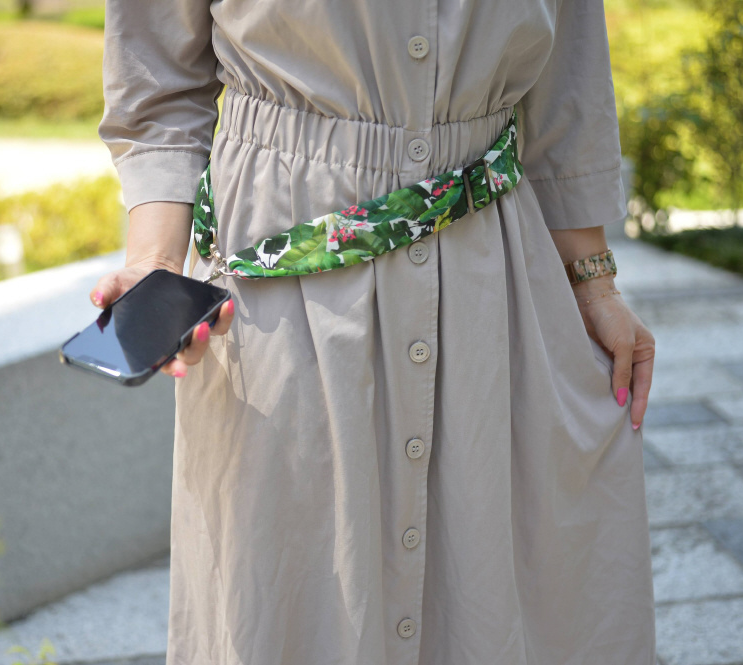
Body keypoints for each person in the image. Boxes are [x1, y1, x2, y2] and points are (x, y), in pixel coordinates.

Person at [91, 0, 659, 662]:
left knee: (490, 595)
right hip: (284, 282)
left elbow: (569, 69)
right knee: (299, 595)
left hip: (493, 274)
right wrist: (156, 260)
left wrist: (592, 280)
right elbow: (157, 71)